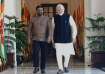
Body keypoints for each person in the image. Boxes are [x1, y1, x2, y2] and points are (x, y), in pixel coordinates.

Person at [52, 4, 77, 74]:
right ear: (56, 10)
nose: (59, 9)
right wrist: (52, 39)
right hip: (58, 39)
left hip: (68, 39)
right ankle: (60, 68)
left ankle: (65, 66)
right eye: (58, 8)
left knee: (67, 54)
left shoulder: (69, 16)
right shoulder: (54, 18)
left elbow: (74, 27)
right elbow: (52, 29)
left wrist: (74, 36)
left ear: (64, 9)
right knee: (58, 54)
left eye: (61, 8)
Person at [28, 5, 53, 74]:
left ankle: (43, 68)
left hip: (44, 39)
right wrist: (28, 38)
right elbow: (29, 30)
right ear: (36, 11)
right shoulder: (32, 19)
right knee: (35, 53)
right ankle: (36, 67)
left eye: (41, 10)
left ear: (43, 11)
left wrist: (49, 37)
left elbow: (50, 29)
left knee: (44, 54)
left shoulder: (47, 18)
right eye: (39, 10)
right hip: (35, 39)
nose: (40, 11)